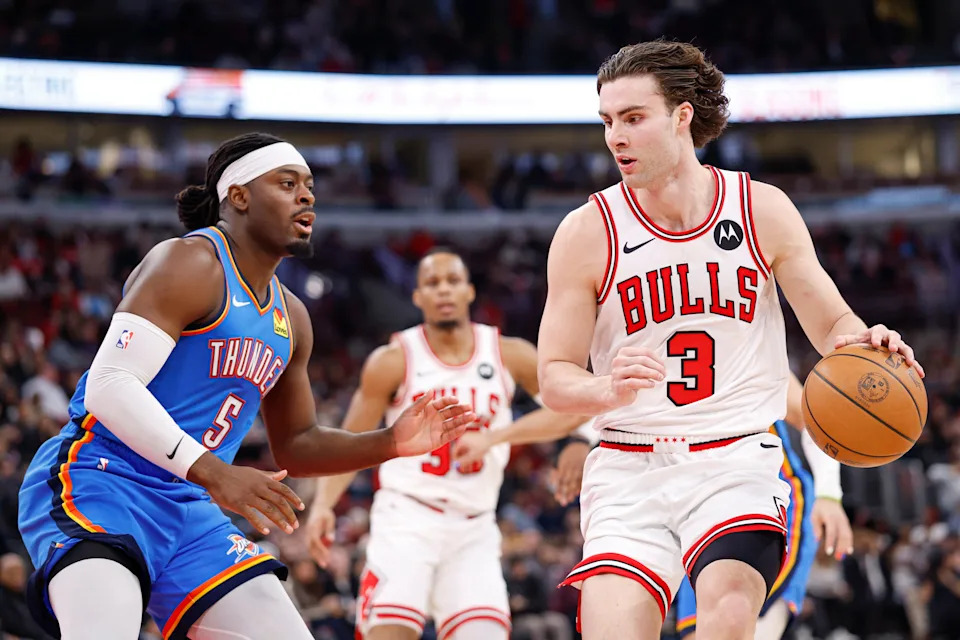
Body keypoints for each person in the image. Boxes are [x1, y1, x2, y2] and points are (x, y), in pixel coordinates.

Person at [535, 40, 924, 640]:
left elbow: (832, 326)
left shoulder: (761, 209)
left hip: (735, 458)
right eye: (607, 121)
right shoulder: (587, 232)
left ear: (682, 116)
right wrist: (603, 387)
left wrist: (865, 337)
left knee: (730, 612)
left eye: (633, 118)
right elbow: (553, 377)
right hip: (628, 466)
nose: (615, 137)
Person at [17, 133, 475, 640]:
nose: (307, 196)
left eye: (309, 186)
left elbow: (297, 445)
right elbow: (109, 384)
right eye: (287, 183)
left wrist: (388, 442)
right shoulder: (189, 263)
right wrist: (218, 474)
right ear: (238, 196)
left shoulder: (292, 317)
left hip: (189, 508)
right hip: (102, 481)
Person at [305, 249, 584, 640]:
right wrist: (322, 505)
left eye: (452, 281)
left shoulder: (509, 354)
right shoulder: (393, 360)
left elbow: (574, 409)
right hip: (406, 519)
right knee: (388, 633)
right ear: (417, 297)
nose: (443, 291)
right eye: (432, 283)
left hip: (475, 528)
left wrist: (498, 436)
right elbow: (352, 444)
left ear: (469, 291)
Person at [552, 372, 855, 640]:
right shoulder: (646, 338)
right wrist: (579, 438)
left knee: (740, 620)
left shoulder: (748, 341)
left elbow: (814, 418)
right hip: (682, 508)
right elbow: (627, 398)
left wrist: (829, 494)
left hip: (759, 502)